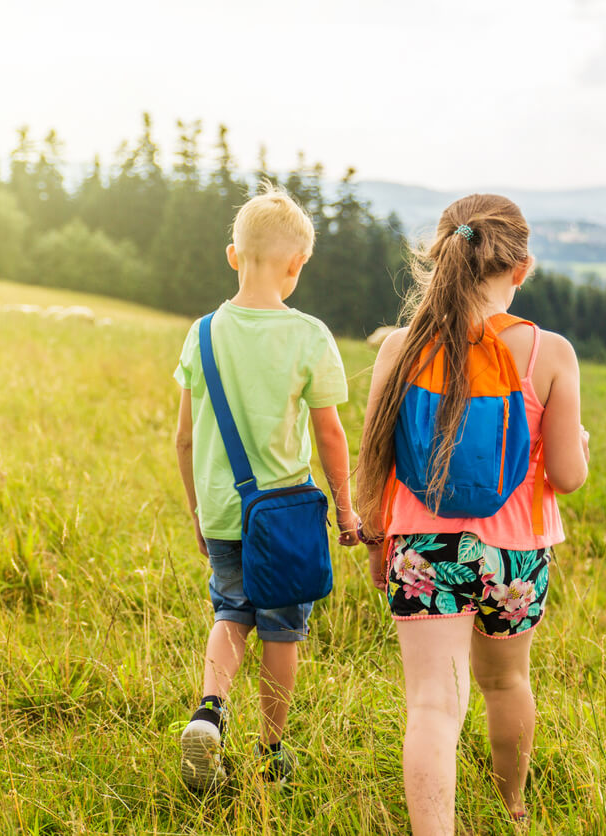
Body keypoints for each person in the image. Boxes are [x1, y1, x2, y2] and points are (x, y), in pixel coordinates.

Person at [354, 194, 590, 833]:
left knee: (434, 703)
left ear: (440, 259)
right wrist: (581, 448)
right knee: (507, 683)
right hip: (515, 553)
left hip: (423, 549)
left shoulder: (400, 346)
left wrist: (379, 544)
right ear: (521, 268)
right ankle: (512, 806)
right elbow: (566, 477)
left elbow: (375, 462)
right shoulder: (550, 353)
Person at [173, 185, 359, 790]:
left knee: (231, 608)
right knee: (282, 626)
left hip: (224, 513)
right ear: (296, 264)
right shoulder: (308, 336)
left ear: (234, 255)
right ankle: (272, 754)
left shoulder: (201, 335)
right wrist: (349, 510)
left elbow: (181, 438)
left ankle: (208, 710)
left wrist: (198, 513)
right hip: (284, 514)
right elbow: (330, 436)